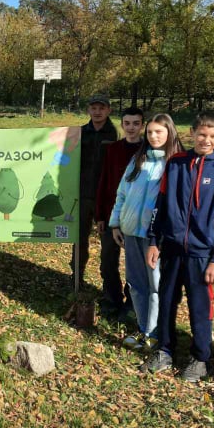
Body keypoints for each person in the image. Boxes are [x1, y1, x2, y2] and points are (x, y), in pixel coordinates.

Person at [141, 112, 214, 382]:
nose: (206, 140)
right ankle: (164, 350)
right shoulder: (175, 164)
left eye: (212, 136)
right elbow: (159, 206)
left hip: (202, 255)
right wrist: (153, 240)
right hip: (171, 250)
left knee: (200, 308)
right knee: (166, 302)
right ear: (192, 134)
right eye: (201, 134)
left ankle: (199, 358)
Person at [109, 114, 182, 352]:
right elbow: (122, 193)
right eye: (150, 132)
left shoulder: (175, 163)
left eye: (159, 132)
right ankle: (143, 328)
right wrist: (116, 223)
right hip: (131, 232)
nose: (153, 136)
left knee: (155, 285)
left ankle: (155, 332)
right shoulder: (138, 160)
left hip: (156, 238)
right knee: (136, 283)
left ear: (170, 133)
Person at [95, 106, 144, 319]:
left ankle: (132, 304)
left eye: (135, 123)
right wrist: (100, 216)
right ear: (122, 125)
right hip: (111, 215)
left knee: (134, 265)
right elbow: (104, 182)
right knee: (108, 261)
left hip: (136, 219)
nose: (131, 128)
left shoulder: (147, 151)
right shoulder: (113, 149)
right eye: (127, 123)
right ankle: (111, 299)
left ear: (142, 125)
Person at [72, 92, 118, 288]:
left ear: (108, 110)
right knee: (79, 239)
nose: (97, 112)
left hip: (107, 199)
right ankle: (76, 277)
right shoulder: (79, 133)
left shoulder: (116, 135)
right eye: (94, 108)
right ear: (88, 110)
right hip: (82, 195)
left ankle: (109, 285)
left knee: (108, 244)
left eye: (102, 108)